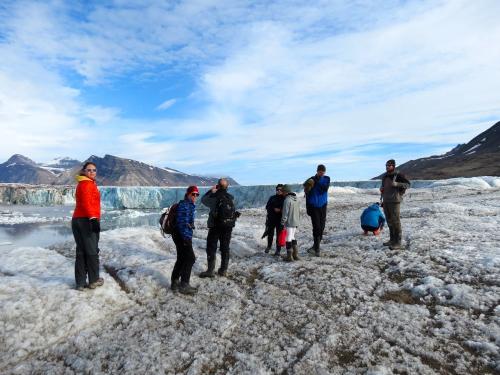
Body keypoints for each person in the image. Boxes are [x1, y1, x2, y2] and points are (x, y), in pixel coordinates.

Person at [199, 178, 240, 278]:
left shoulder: (214, 197)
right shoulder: (231, 197)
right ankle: (223, 270)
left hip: (215, 226)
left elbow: (203, 200)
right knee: (225, 248)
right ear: (227, 187)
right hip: (228, 226)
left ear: (218, 186)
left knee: (211, 247)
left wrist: (211, 191)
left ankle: (210, 270)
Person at [72, 162, 103, 291]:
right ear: (84, 171)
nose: (91, 172)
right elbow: (86, 203)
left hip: (78, 219)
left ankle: (80, 283)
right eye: (89, 170)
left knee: (81, 251)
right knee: (91, 251)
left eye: (94, 170)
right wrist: (93, 218)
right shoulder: (86, 184)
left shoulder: (82, 183)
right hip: (86, 221)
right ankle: (94, 280)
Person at [171, 186, 199, 295]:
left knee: (182, 258)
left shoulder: (189, 205)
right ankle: (184, 285)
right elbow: (182, 223)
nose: (195, 196)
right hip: (182, 236)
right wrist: (186, 238)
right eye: (193, 194)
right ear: (188, 194)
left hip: (179, 235)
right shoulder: (185, 205)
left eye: (197, 194)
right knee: (190, 258)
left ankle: (174, 282)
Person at [380, 159, 411, 250]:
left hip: (394, 201)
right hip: (386, 201)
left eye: (389, 165)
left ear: (393, 166)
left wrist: (397, 184)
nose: (387, 167)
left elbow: (408, 185)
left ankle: (398, 242)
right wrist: (382, 190)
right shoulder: (385, 176)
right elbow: (383, 187)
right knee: (389, 221)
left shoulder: (398, 175)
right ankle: (392, 240)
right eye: (386, 165)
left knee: (396, 221)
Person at [304, 164, 331, 256]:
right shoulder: (310, 179)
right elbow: (306, 193)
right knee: (316, 227)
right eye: (320, 171)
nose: (321, 173)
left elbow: (325, 189)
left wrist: (316, 181)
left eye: (323, 171)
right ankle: (317, 249)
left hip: (323, 206)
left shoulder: (327, 179)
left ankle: (315, 246)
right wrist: (308, 207)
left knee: (322, 227)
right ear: (317, 171)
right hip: (313, 206)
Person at [280, 185, 300, 261]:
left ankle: (289, 257)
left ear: (286, 192)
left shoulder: (287, 200)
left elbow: (285, 213)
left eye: (283, 191)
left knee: (288, 237)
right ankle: (295, 255)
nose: (282, 193)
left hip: (289, 222)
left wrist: (282, 223)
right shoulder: (296, 200)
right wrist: (298, 222)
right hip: (295, 221)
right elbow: (298, 212)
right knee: (292, 236)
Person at [263, 184, 285, 255]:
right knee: (270, 234)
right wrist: (273, 209)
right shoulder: (272, 198)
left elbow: (287, 209)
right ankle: (269, 246)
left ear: (283, 190)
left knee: (279, 235)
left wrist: (280, 210)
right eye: (277, 189)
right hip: (271, 219)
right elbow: (267, 207)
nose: (279, 191)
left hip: (280, 220)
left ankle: (278, 250)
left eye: (280, 190)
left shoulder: (285, 199)